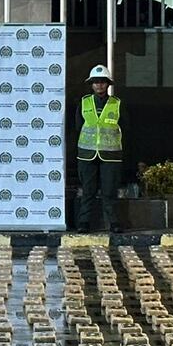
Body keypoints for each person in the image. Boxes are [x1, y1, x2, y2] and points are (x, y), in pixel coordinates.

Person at [75, 65, 123, 233]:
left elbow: (127, 130)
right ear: (91, 84)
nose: (99, 85)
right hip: (87, 155)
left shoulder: (117, 104)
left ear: (108, 84)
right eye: (96, 82)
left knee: (109, 192)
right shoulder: (84, 102)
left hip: (111, 156)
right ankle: (84, 223)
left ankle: (114, 223)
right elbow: (77, 127)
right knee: (88, 191)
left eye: (102, 82)